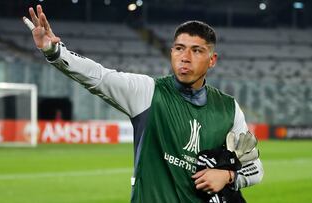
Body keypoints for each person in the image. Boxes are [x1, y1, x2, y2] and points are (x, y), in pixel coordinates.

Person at [23, 5, 263, 203]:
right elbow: (99, 77)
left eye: (197, 51)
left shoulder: (228, 108)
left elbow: (255, 168)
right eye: (179, 49)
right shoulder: (148, 92)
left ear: (212, 60)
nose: (185, 57)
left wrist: (229, 175)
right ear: (171, 52)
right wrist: (54, 51)